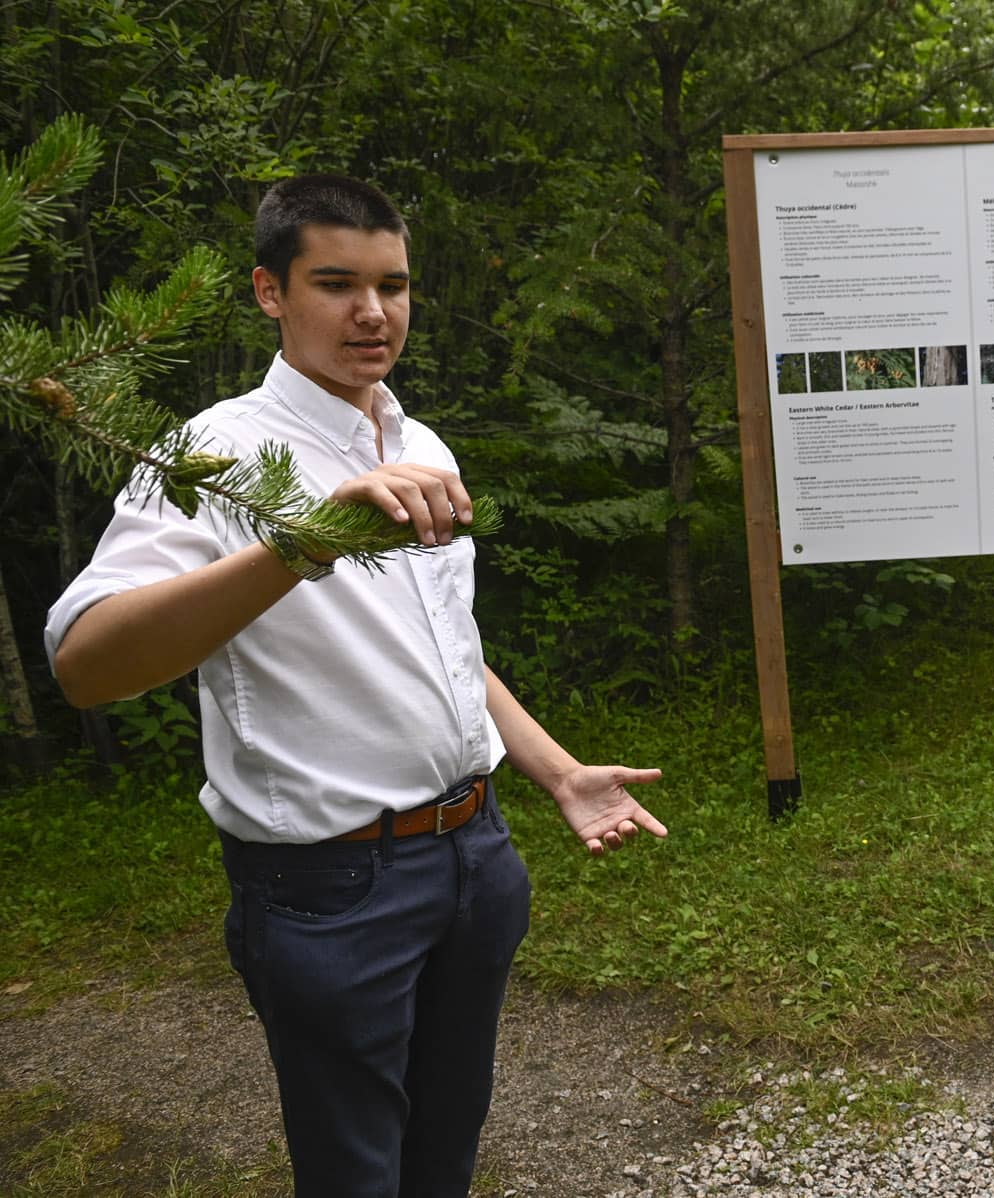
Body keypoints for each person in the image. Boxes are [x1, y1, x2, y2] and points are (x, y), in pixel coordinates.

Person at [44, 174, 666, 1198]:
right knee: (356, 1171)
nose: (373, 313)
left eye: (394, 284)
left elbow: (443, 646)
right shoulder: (214, 452)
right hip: (331, 889)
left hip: (476, 854)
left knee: (445, 1145)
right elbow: (85, 664)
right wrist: (304, 541)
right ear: (268, 292)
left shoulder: (417, 444)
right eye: (336, 283)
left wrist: (555, 773)